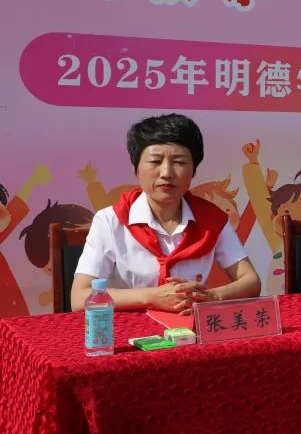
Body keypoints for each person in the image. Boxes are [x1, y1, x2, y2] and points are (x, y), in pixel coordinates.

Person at [71, 114, 261, 314]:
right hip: (128, 328)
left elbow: (251, 281)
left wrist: (211, 297)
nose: (166, 173)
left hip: (189, 326)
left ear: (194, 170)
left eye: (179, 162)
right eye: (155, 161)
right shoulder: (110, 220)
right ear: (136, 168)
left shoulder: (211, 220)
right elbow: (80, 297)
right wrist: (153, 297)